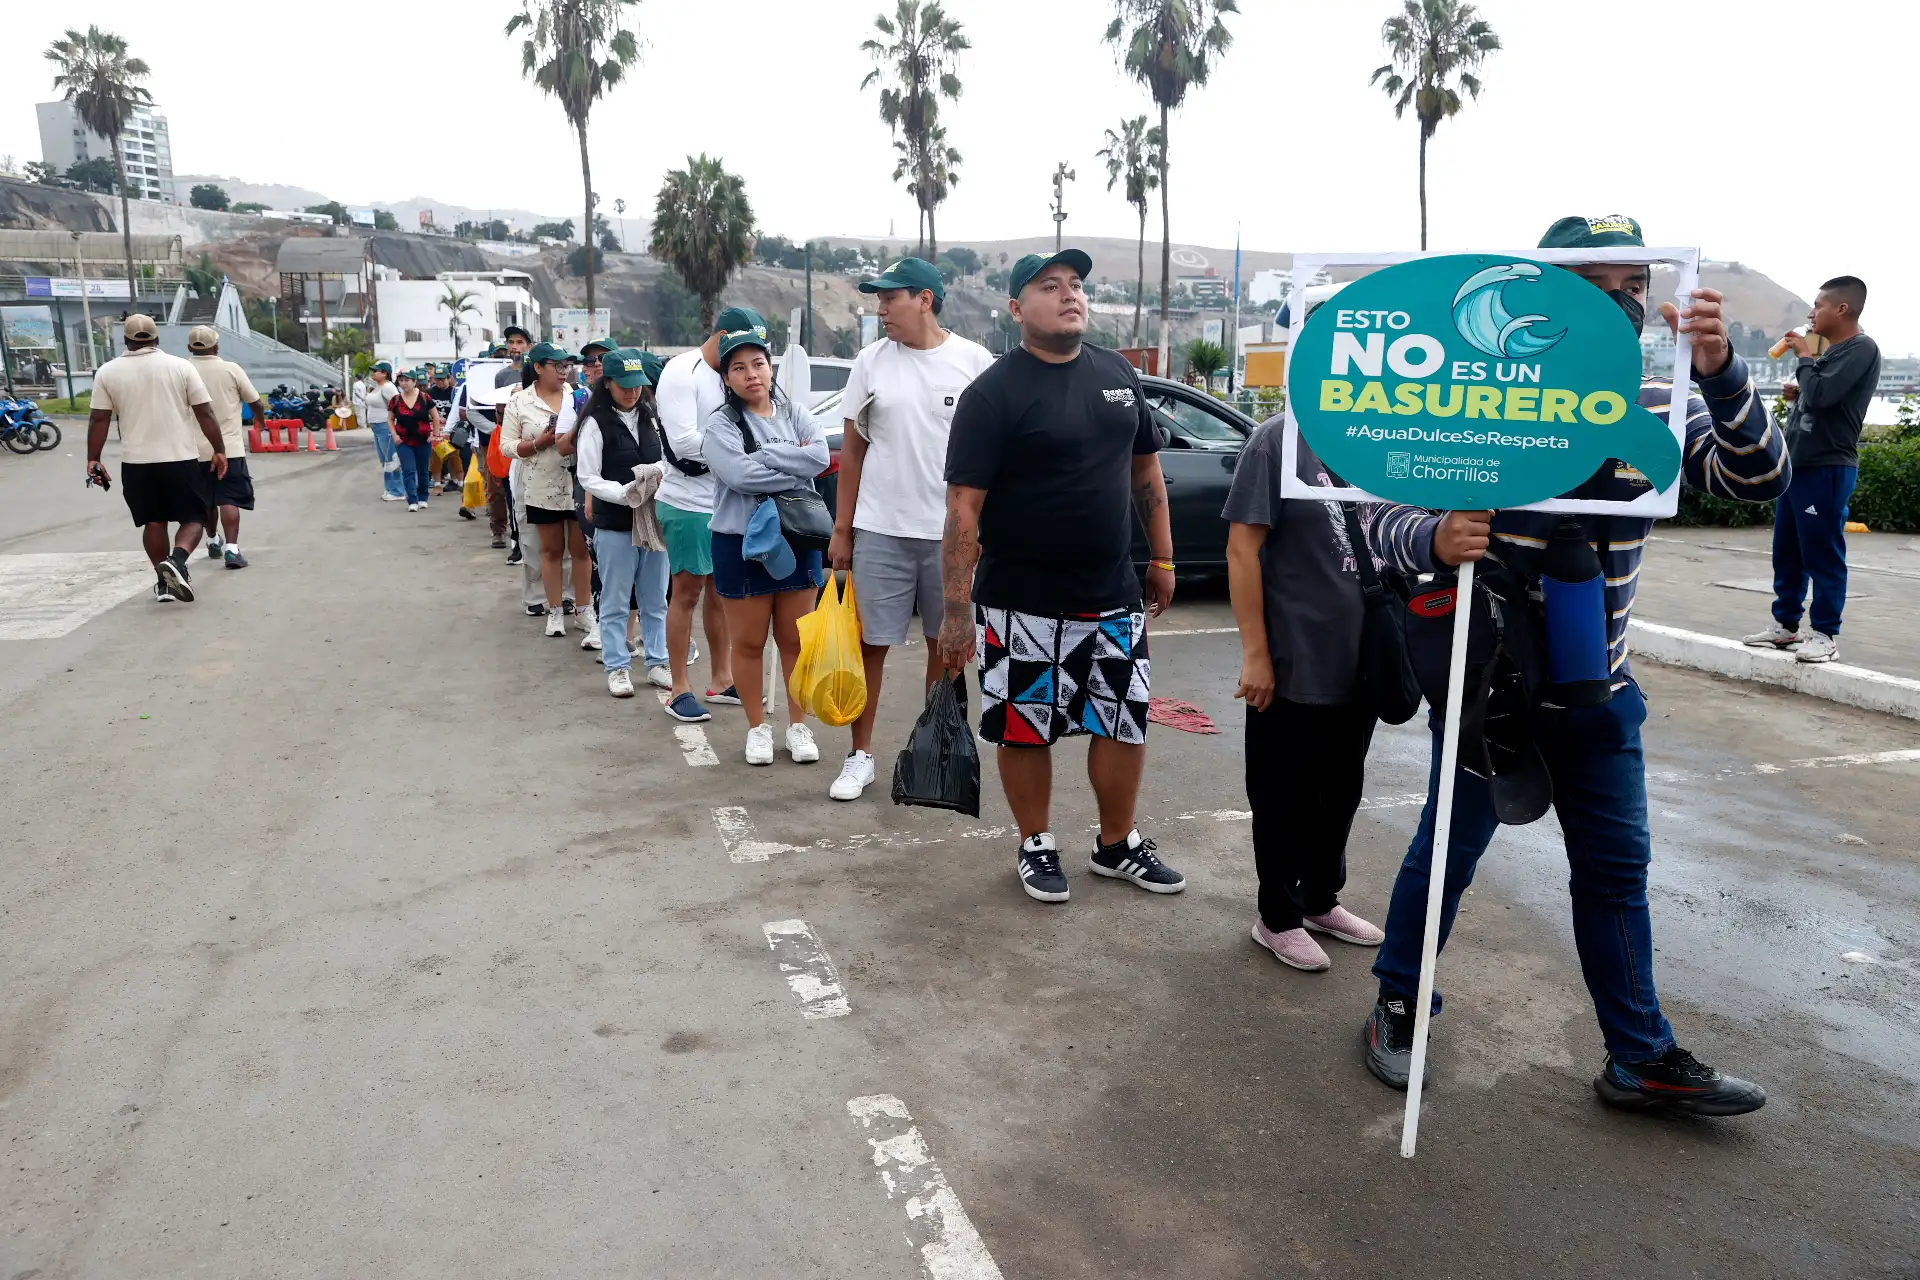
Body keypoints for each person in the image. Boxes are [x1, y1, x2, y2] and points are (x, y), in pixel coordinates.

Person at [1360, 214, 1787, 1116]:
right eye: (1595, 286)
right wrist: (1434, 535)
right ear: (1540, 299)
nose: (1619, 304)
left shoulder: (1652, 412)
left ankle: (1639, 1055)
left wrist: (1720, 371)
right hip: (1489, 692)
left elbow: (1758, 478)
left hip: (1602, 694)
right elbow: (1373, 519)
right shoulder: (1468, 404)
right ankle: (1399, 1006)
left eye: (1633, 288)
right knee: (1445, 856)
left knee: (1614, 874)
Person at [941, 249, 1184, 905]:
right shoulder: (993, 394)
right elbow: (964, 508)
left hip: (1112, 596)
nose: (1069, 294)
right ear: (1018, 309)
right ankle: (1036, 843)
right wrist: (957, 611)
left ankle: (1116, 844)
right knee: (1026, 726)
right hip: (1021, 602)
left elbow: (1145, 472)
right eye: (1050, 286)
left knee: (1122, 722)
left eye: (1075, 284)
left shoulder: (1116, 374)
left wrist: (1161, 559)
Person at [825, 258, 994, 800]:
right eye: (877, 299)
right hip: (879, 529)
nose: (880, 309)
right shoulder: (870, 362)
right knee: (870, 646)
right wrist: (842, 531)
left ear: (924, 299)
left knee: (944, 648)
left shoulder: (974, 362)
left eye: (889, 298)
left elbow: (996, 460)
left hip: (951, 538)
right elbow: (851, 454)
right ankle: (860, 756)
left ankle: (934, 754)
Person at [1222, 429, 1387, 970]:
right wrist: (1255, 654)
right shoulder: (1278, 442)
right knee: (1282, 794)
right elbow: (1242, 548)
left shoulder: (1386, 431)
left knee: (1340, 790)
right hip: (1293, 657)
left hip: (1362, 657)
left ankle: (1319, 901)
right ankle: (1277, 917)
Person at [702, 321, 829, 764]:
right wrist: (792, 463)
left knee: (796, 641)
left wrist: (766, 454)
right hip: (740, 542)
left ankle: (798, 726)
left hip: (798, 536)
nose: (751, 374)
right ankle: (757, 727)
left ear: (770, 367)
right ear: (726, 379)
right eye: (739, 368)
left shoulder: (796, 412)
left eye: (758, 363)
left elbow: (820, 456)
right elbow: (737, 475)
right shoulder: (720, 424)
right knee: (750, 642)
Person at [1743, 276, 1881, 664]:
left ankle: (1825, 634)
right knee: (1787, 550)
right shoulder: (1832, 353)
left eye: (1818, 305)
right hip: (1796, 467)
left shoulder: (1862, 348)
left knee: (1823, 553)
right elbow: (1816, 395)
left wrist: (1804, 357)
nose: (1810, 312)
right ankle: (1785, 628)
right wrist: (1799, 389)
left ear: (1842, 309)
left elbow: (1823, 396)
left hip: (1828, 467)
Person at [656, 310, 762, 718]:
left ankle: (721, 679)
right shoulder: (683, 371)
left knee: (722, 593)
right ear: (721, 336)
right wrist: (742, 453)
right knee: (686, 593)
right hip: (686, 501)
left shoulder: (733, 372)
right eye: (737, 348)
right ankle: (679, 687)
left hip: (726, 501)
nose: (747, 360)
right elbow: (682, 441)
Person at [84, 314, 228, 603]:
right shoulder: (180, 367)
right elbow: (205, 413)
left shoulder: (107, 372)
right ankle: (176, 562)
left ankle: (163, 585)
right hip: (179, 458)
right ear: (157, 339)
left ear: (124, 340)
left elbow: (99, 418)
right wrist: (219, 449)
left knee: (154, 521)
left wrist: (93, 459)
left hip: (136, 463)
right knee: (194, 517)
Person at [574, 348, 671, 698]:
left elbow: (667, 460)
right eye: (625, 386)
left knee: (655, 597)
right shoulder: (595, 423)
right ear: (608, 383)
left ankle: (658, 661)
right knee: (615, 600)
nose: (633, 392)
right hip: (615, 522)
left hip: (654, 520)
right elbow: (588, 476)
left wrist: (655, 473)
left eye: (638, 385)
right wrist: (626, 493)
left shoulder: (651, 416)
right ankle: (617, 665)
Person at [497, 342, 589, 636]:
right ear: (537, 368)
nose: (564, 372)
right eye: (557, 366)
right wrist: (540, 443)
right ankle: (554, 611)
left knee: (581, 551)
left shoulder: (578, 397)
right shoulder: (519, 402)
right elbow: (507, 446)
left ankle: (583, 609)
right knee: (549, 551)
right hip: (540, 485)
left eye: (567, 366)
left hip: (576, 483)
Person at [185, 326, 263, 570]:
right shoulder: (231, 369)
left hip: (193, 450)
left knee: (206, 500)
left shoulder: (181, 369)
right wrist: (260, 420)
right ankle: (232, 549)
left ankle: (211, 541)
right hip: (229, 449)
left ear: (189, 348)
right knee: (227, 497)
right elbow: (255, 401)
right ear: (217, 346)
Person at [388, 369, 439, 511]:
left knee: (423, 470)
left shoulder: (424, 398)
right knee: (408, 470)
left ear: (414, 381)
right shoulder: (395, 400)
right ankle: (412, 500)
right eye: (401, 380)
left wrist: (434, 434)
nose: (403, 383)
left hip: (423, 439)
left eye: (407, 380)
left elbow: (435, 416)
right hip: (403, 440)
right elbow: (390, 419)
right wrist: (395, 435)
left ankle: (423, 497)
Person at [360, 362, 405, 502]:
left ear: (384, 373)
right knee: (385, 461)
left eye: (375, 371)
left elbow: (398, 405)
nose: (372, 373)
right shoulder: (377, 387)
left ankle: (398, 491)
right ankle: (390, 488)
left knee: (392, 459)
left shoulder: (388, 387)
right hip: (377, 427)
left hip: (386, 426)